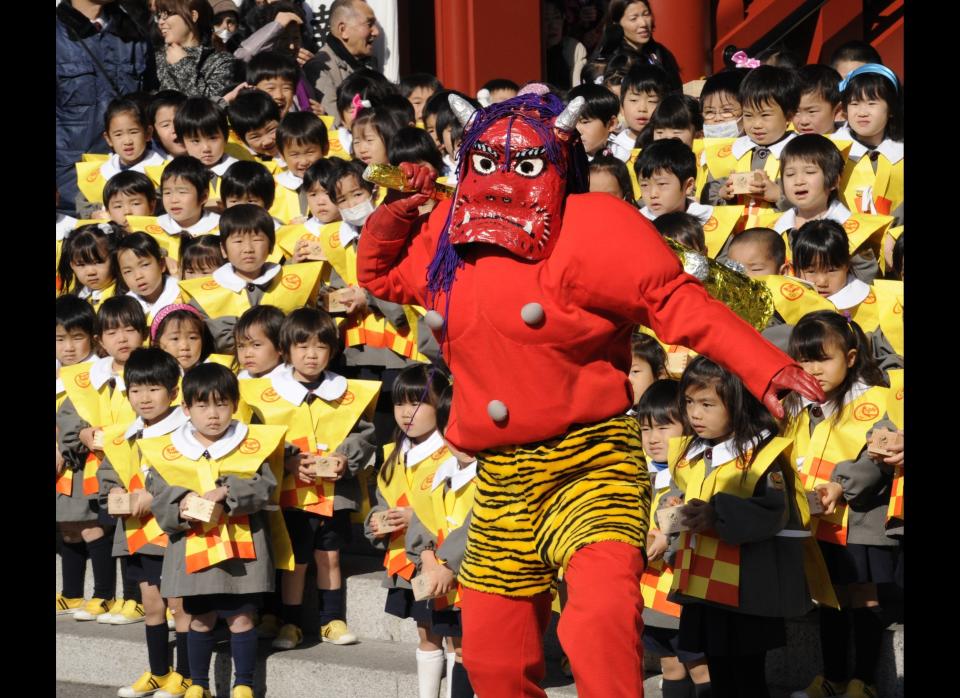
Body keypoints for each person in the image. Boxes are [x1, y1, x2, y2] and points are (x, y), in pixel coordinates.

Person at [357, 87, 822, 698]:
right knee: (494, 661)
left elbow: (679, 305)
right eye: (487, 163)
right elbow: (380, 274)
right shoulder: (450, 231)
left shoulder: (594, 226)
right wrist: (399, 207)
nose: (503, 180)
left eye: (524, 165)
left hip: (590, 462)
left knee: (600, 625)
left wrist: (764, 367)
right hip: (502, 477)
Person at [666, 356, 830, 698]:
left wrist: (717, 514)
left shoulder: (763, 454)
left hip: (747, 591)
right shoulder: (692, 452)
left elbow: (772, 511)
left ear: (739, 403)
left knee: (747, 675)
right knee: (719, 671)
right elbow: (678, 491)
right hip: (705, 587)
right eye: (689, 402)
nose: (695, 413)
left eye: (707, 404)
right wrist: (668, 508)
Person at [141, 363, 288, 698]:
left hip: (242, 549)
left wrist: (225, 491)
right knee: (199, 620)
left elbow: (265, 486)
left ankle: (244, 685)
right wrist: (182, 503)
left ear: (235, 405)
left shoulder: (252, 443)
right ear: (186, 408)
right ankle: (198, 685)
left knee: (242, 619)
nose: (213, 414)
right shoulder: (170, 449)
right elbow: (159, 492)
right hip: (194, 546)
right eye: (203, 405)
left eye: (221, 404)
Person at [240, 308, 378, 650]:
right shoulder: (266, 392)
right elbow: (256, 436)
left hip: (335, 492)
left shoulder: (347, 391)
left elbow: (364, 434)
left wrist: (345, 457)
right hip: (290, 493)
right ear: (286, 350)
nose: (311, 354)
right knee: (295, 559)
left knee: (328, 556)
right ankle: (291, 622)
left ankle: (331, 619)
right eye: (302, 347)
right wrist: (286, 459)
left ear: (332, 350)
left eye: (320, 347)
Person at [783, 312, 900, 698]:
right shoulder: (796, 405)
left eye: (823, 358)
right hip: (820, 522)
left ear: (851, 358)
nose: (813, 370)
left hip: (862, 522)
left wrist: (840, 485)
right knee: (829, 597)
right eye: (804, 359)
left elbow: (877, 459)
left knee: (864, 598)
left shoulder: (875, 398)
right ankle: (832, 676)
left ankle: (863, 680)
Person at [98, 347, 194, 698]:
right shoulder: (124, 435)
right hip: (136, 532)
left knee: (178, 605)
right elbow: (108, 474)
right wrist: (113, 495)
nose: (144, 398)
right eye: (136, 390)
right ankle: (157, 671)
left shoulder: (185, 432)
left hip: (174, 534)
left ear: (173, 391)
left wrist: (154, 498)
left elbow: (190, 478)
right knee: (151, 604)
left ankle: (185, 674)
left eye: (154, 389)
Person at [364, 365, 454, 698]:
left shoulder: (453, 452)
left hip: (446, 561)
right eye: (400, 404)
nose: (406, 413)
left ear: (442, 405)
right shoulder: (392, 454)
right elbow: (381, 501)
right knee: (426, 631)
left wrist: (415, 516)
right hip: (407, 560)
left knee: (455, 637)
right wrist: (377, 521)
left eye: (418, 404)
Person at [58, 297, 149, 622]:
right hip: (97, 465)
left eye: (129, 329)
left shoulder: (151, 368)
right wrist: (81, 433)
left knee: (131, 530)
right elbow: (69, 415)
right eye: (112, 332)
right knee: (109, 527)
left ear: (144, 331)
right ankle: (113, 596)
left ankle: (136, 597)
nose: (122, 339)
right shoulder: (88, 376)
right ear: (100, 339)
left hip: (137, 464)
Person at [403, 380, 479, 698]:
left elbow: (477, 526)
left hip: (478, 579)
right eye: (452, 428)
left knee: (471, 652)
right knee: (454, 645)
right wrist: (425, 557)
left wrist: (443, 562)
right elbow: (422, 519)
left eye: (470, 429)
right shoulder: (439, 472)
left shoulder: (494, 476)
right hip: (443, 576)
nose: (459, 439)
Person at [635, 379, 711, 698]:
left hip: (686, 592)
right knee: (670, 667)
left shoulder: (698, 470)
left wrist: (666, 538)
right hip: (649, 596)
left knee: (700, 667)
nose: (653, 439)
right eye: (646, 429)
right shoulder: (637, 472)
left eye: (664, 427)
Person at [179, 204, 323, 352]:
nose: (248, 248)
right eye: (238, 241)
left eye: (257, 240)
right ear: (223, 249)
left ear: (271, 246)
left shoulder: (296, 283)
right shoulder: (204, 297)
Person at [57, 0, 155, 216]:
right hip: (73, 189)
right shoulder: (59, 36)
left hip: (135, 184)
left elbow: (152, 105)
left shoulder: (133, 33)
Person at [775, 134, 891, 284]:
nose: (798, 181)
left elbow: (866, 282)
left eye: (809, 172)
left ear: (834, 181)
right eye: (790, 174)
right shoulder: (775, 229)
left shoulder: (855, 232)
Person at [703, 65, 800, 229]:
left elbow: (818, 197)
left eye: (765, 115)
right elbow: (707, 194)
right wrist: (723, 194)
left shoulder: (802, 152)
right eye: (748, 115)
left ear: (789, 116)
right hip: (734, 244)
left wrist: (778, 195)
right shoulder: (728, 152)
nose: (756, 124)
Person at [56, 296, 101, 617]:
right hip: (61, 463)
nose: (68, 347)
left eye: (76, 338)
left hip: (83, 461)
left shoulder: (94, 373)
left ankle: (102, 593)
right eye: (59, 339)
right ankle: (71, 593)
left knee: (89, 525)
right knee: (68, 527)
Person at [636, 138, 743, 258]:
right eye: (644, 185)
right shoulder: (634, 225)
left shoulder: (715, 222)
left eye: (662, 184)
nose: (653, 194)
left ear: (688, 185)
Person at [835, 65, 904, 225]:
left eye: (872, 103)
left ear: (891, 109)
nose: (862, 112)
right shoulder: (830, 148)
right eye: (854, 104)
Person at [75, 97, 166, 216]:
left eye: (133, 132)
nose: (127, 141)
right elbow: (82, 203)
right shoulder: (100, 172)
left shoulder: (162, 171)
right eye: (118, 134)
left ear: (148, 133)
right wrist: (93, 213)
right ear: (108, 139)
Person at [303, 0, 381, 125]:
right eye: (369, 24)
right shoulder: (320, 68)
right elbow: (335, 124)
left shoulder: (368, 63)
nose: (376, 32)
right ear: (343, 29)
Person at [154, 0, 238, 101]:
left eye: (167, 15)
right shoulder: (156, 57)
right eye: (159, 16)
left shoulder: (221, 61)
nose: (161, 22)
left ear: (193, 15)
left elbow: (210, 108)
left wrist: (183, 65)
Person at [593, 0, 681, 90]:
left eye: (646, 14)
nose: (643, 23)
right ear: (617, 24)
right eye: (633, 18)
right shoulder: (611, 60)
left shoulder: (661, 53)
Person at [271, 111, 330, 222]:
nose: (303, 161)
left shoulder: (339, 176)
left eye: (310, 152)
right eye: (294, 154)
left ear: (325, 148)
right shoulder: (273, 187)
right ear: (282, 155)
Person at [116, 232, 184, 324]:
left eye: (144, 265)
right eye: (128, 271)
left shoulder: (183, 294)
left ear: (162, 265)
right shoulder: (123, 309)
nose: (138, 276)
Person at [57, 222, 123, 312]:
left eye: (98, 262)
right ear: (72, 265)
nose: (90, 272)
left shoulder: (125, 298)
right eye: (81, 264)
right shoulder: (71, 300)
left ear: (115, 258)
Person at [567, 83, 620, 160]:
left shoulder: (625, 159)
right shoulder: (562, 161)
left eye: (585, 122)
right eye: (571, 122)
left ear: (611, 124)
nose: (577, 131)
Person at [543, 0, 588, 89]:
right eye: (546, 19)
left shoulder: (574, 49)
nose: (553, 25)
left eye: (557, 18)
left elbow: (577, 89)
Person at [793, 64, 844, 136]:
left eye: (811, 111)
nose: (803, 121)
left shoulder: (850, 144)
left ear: (838, 110)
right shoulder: (786, 142)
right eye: (796, 112)